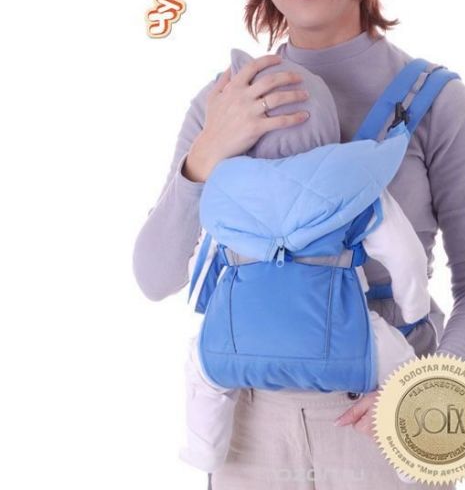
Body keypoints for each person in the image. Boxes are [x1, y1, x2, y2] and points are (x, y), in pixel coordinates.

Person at [132, 0, 465, 488]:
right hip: (248, 430)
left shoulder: (434, 100)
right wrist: (207, 153)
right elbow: (154, 277)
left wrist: (425, 389)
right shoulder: (225, 100)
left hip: (386, 417)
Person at [179, 48, 434, 485]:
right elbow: (405, 256)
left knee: (201, 370)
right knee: (402, 367)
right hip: (344, 348)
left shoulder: (226, 185)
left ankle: (203, 448)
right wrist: (415, 313)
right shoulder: (353, 181)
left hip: (236, 343)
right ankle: (412, 467)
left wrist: (207, 308)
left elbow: (202, 265)